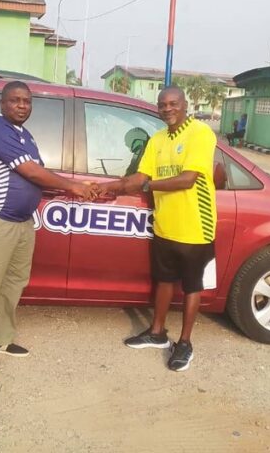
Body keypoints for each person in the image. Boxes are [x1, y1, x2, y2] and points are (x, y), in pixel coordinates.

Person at [0, 81, 97, 375]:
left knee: (13, 283)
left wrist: (72, 189)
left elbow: (39, 177)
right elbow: (30, 171)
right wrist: (73, 186)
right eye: (15, 100)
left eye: (27, 101)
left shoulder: (25, 136)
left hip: (21, 221)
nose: (22, 106)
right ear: (2, 103)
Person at [98, 87, 217, 372]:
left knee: (191, 286)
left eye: (173, 104)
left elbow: (187, 179)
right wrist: (106, 187)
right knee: (163, 281)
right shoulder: (158, 140)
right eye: (163, 105)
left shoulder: (200, 133)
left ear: (184, 105)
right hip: (165, 225)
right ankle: (157, 333)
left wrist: (148, 186)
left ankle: (185, 342)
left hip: (195, 226)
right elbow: (139, 176)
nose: (167, 109)